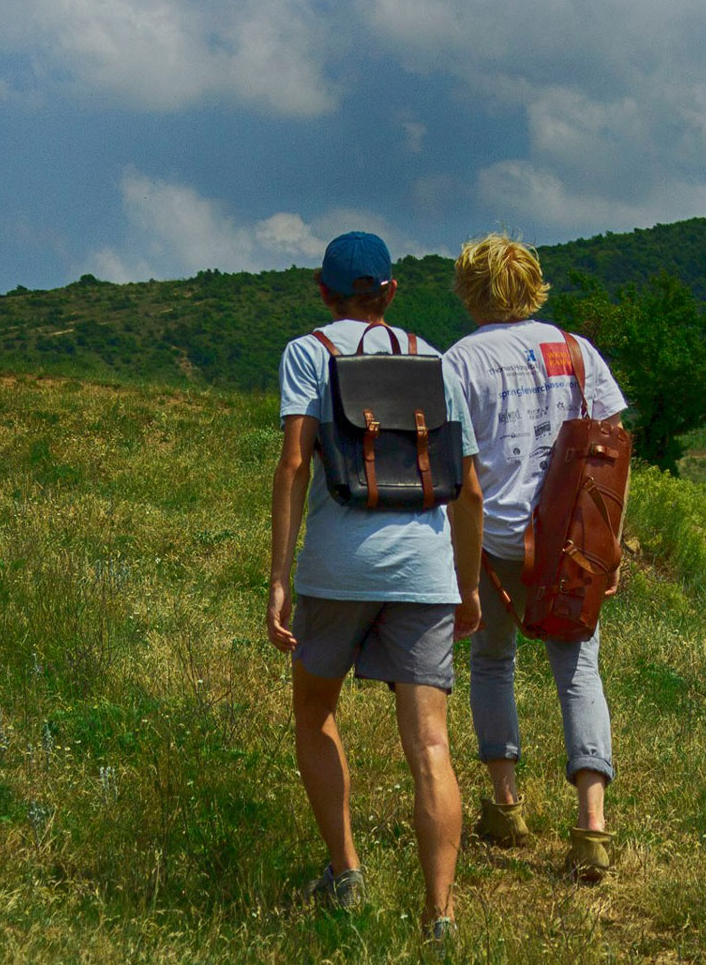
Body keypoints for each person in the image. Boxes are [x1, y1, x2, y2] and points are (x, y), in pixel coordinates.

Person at [266, 231, 484, 945]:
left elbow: (295, 463)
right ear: (390, 292)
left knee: (313, 712)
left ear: (322, 292)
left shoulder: (309, 353)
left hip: (337, 565)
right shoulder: (435, 359)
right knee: (430, 744)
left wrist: (277, 576)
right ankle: (440, 915)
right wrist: (468, 585)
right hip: (425, 570)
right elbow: (470, 488)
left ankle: (346, 869)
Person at [441, 232, 627, 881]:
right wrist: (610, 544)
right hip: (569, 543)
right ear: (532, 285)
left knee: (492, 660)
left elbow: (448, 466)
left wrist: (460, 570)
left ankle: (505, 805)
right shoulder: (575, 350)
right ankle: (592, 827)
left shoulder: (460, 361)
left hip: (491, 542)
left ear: (471, 290)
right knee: (579, 672)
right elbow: (612, 449)